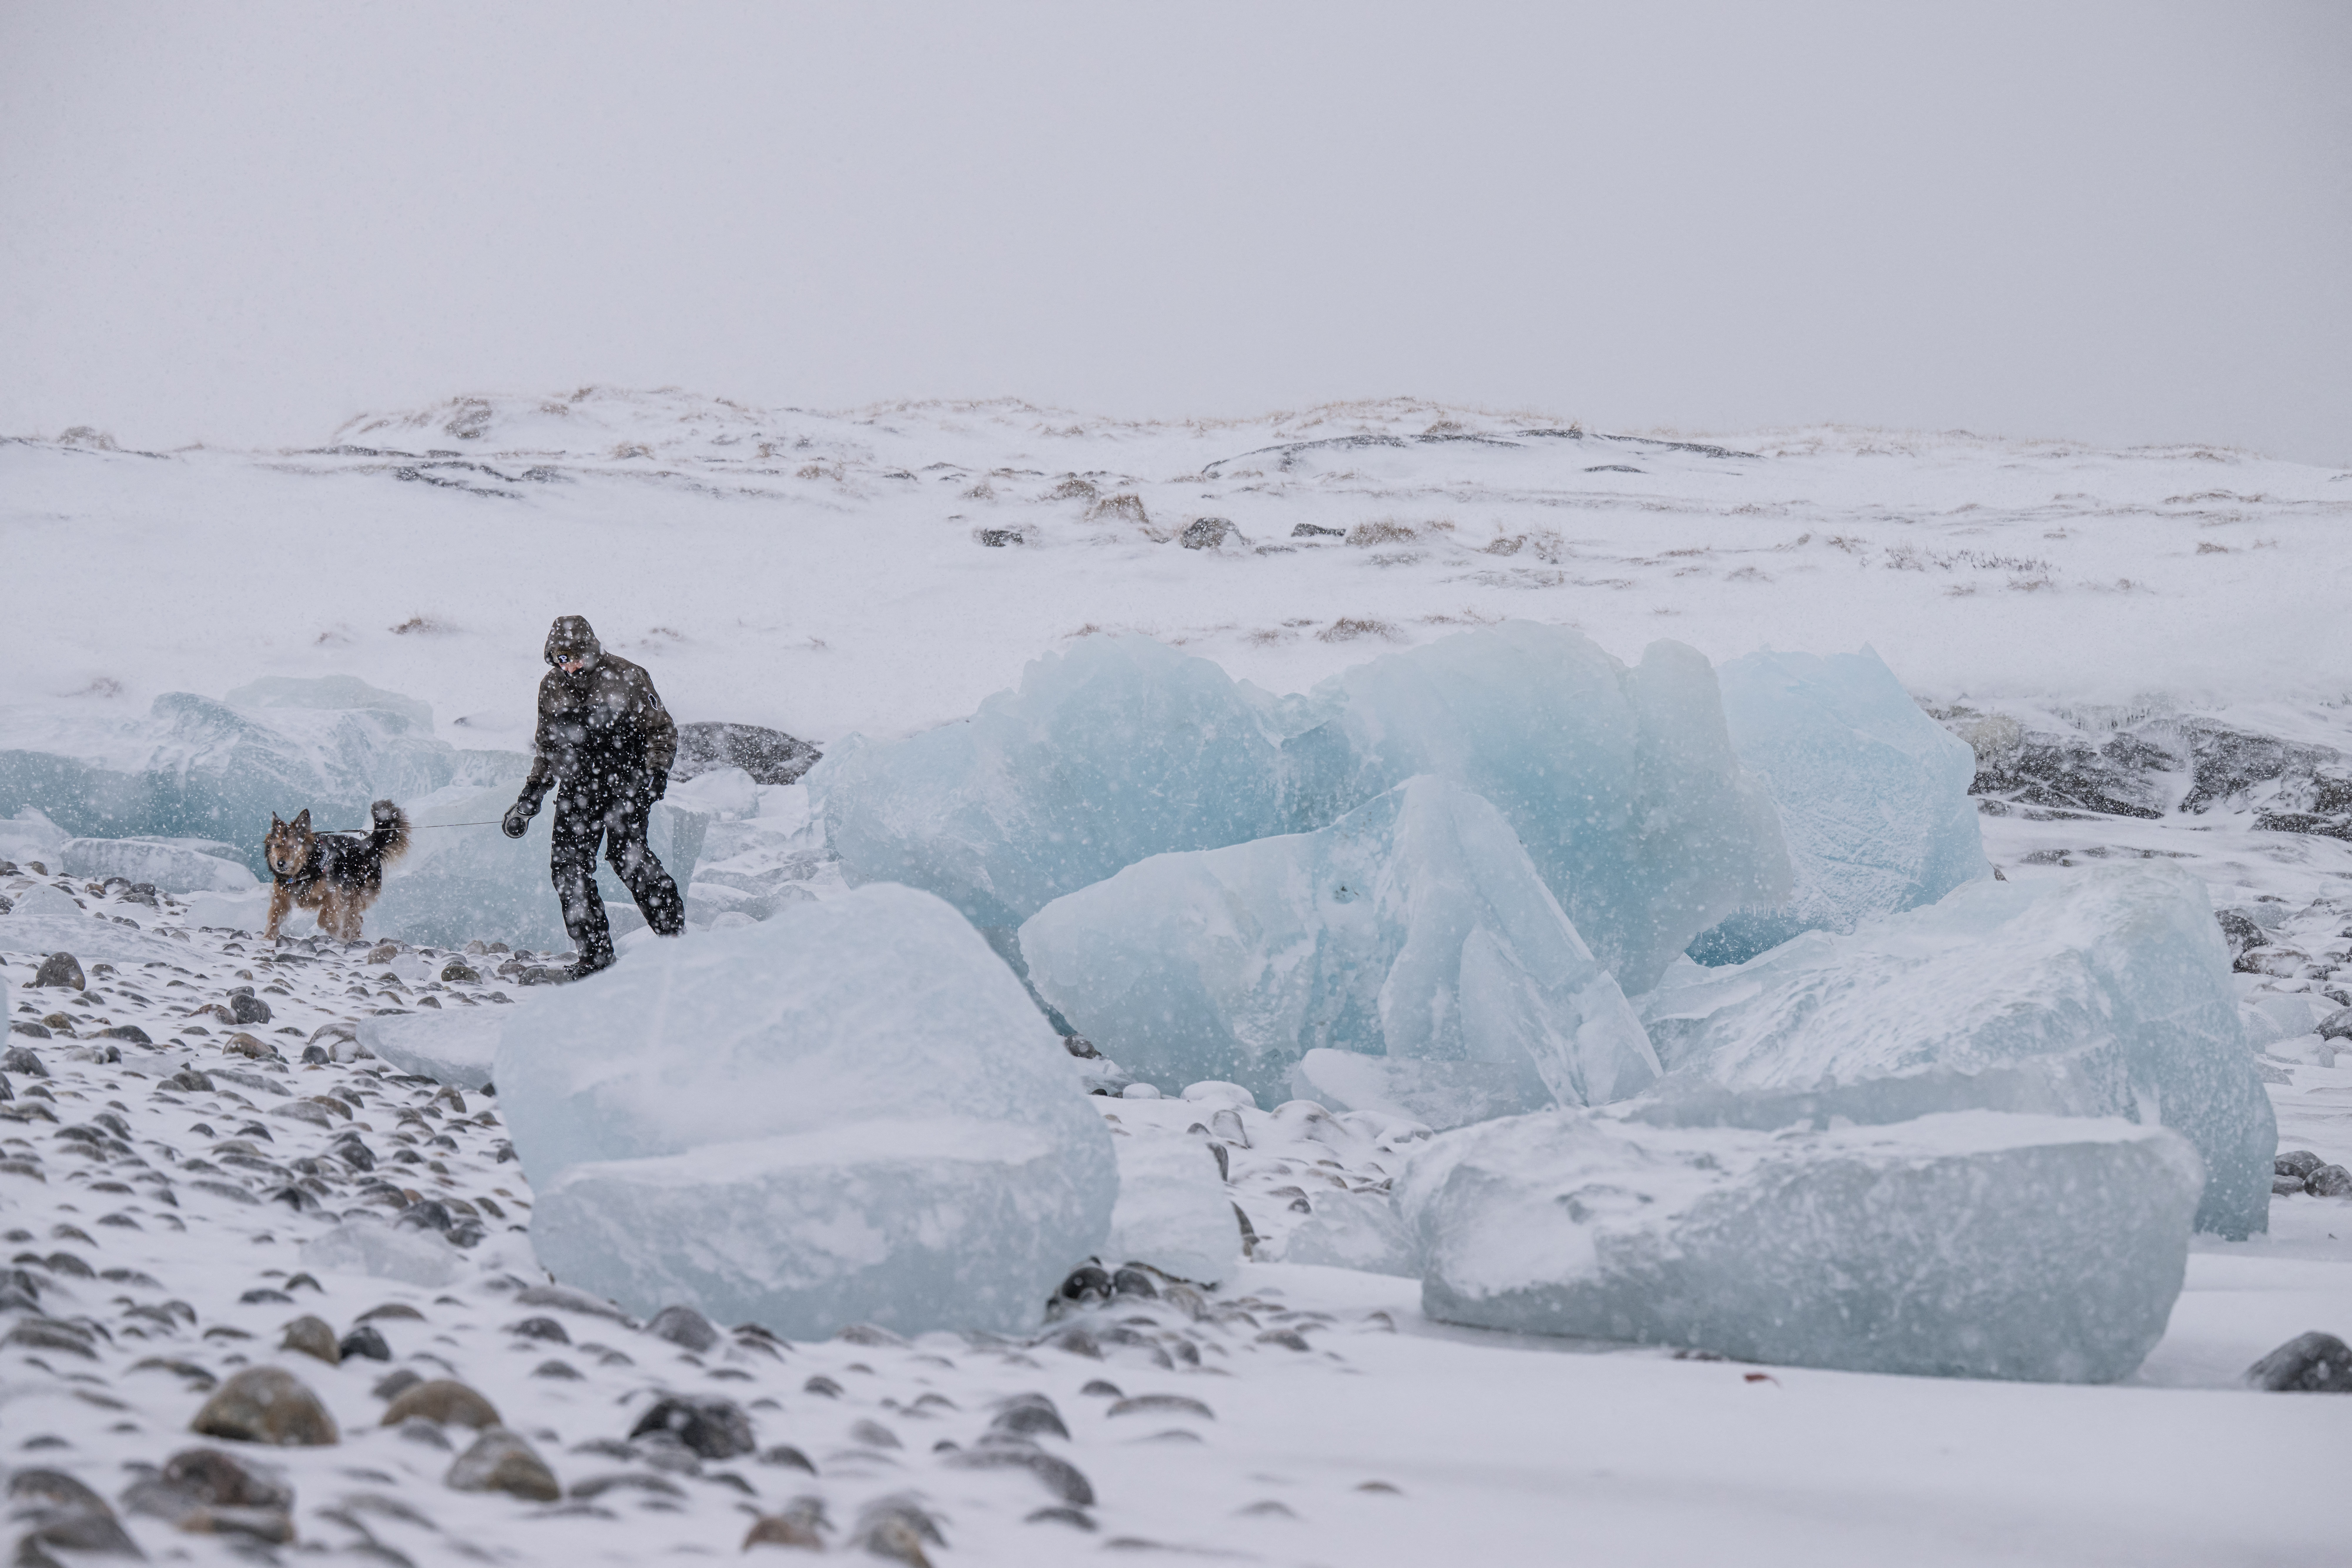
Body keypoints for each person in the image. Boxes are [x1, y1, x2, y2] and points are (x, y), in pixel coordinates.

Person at [502, 614, 686, 978]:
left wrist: (656, 775)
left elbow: (662, 730)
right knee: (568, 867)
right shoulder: (551, 686)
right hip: (578, 788)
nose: (569, 665)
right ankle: (595, 958)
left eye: (576, 656)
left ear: (592, 651)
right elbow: (549, 748)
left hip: (628, 784)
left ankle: (677, 942)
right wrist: (530, 798)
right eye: (560, 658)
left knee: (628, 858)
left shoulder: (629, 676)